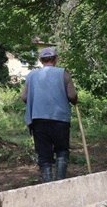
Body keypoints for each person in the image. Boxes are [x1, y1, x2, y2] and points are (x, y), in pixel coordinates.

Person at [21, 47, 79, 182]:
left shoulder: (31, 75)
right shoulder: (63, 73)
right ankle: (60, 180)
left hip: (38, 120)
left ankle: (47, 184)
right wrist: (75, 100)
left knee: (44, 154)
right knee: (62, 150)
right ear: (56, 59)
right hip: (60, 119)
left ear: (40, 60)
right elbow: (72, 95)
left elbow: (24, 97)